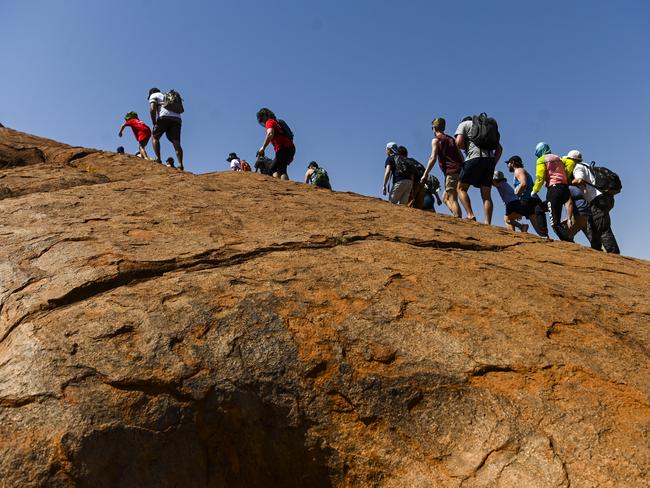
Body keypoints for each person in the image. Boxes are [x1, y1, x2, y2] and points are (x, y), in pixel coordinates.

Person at [455, 115, 503, 224]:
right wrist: (493, 163)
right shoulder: (487, 127)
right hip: (489, 160)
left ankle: (470, 215)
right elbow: (499, 149)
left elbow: (458, 142)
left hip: (473, 158)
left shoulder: (464, 124)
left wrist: (465, 148)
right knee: (486, 195)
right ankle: (487, 222)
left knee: (461, 188)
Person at [572, 154, 620, 253]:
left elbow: (579, 179)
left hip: (597, 200)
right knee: (592, 226)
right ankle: (597, 251)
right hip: (606, 197)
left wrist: (570, 183)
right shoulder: (588, 166)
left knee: (602, 227)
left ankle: (614, 253)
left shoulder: (578, 167)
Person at [421, 117, 464, 217]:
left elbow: (433, 158)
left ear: (434, 128)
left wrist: (425, 174)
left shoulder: (436, 140)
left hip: (451, 172)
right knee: (445, 198)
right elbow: (461, 157)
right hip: (460, 171)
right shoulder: (451, 139)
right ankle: (456, 215)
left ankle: (459, 220)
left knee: (452, 198)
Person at [531, 142, 572, 241]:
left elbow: (540, 178)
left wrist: (535, 190)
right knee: (539, 209)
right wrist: (566, 176)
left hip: (554, 190)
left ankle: (568, 241)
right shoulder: (558, 158)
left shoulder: (541, 160)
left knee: (555, 223)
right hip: (565, 190)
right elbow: (570, 163)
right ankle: (544, 234)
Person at [505, 155, 548, 237]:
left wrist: (517, 196)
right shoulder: (524, 172)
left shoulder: (518, 171)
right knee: (541, 232)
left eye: (508, 163)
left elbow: (524, 184)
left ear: (512, 163)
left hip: (528, 201)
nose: (507, 165)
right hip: (534, 201)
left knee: (507, 218)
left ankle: (515, 234)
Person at [149, 87, 184, 171]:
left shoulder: (154, 95)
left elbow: (152, 108)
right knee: (176, 142)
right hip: (177, 119)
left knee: (155, 137)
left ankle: (158, 158)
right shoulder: (167, 96)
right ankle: (180, 164)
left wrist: (154, 122)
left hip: (163, 117)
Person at [256, 108, 295, 180]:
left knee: (276, 170)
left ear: (265, 115)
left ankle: (282, 187)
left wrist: (263, 148)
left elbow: (270, 134)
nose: (261, 121)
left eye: (261, 118)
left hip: (283, 149)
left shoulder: (269, 122)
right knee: (278, 169)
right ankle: (283, 186)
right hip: (290, 148)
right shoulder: (277, 122)